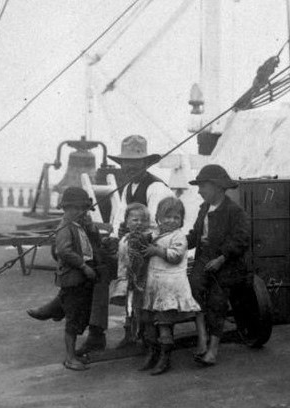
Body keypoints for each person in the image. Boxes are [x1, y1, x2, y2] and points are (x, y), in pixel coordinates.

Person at [27, 135, 173, 353]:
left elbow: (162, 228)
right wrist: (114, 238)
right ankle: (94, 331)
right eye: (125, 163)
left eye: (135, 162)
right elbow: (119, 221)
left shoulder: (156, 188)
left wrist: (134, 237)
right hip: (130, 249)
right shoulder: (128, 187)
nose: (129, 167)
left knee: (100, 270)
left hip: (154, 251)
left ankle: (72, 314)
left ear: (145, 163)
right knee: (96, 267)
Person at [187, 164, 251, 366]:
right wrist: (172, 242)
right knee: (194, 293)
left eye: (202, 186)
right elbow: (195, 236)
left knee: (217, 302)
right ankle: (202, 339)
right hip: (204, 258)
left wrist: (222, 258)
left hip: (226, 264)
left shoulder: (234, 211)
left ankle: (212, 350)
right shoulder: (204, 208)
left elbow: (241, 239)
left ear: (217, 187)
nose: (199, 191)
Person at [139, 196, 201, 375]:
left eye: (176, 217)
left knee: (164, 322)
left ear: (182, 220)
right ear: (158, 216)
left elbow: (175, 256)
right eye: (167, 217)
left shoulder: (179, 236)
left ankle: (165, 358)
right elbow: (145, 241)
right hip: (154, 285)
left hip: (170, 287)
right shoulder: (156, 233)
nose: (172, 221)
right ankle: (152, 353)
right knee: (150, 322)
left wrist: (156, 250)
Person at [51, 187, 101, 371]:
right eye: (76, 209)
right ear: (66, 208)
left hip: (82, 280)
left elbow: (94, 243)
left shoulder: (79, 225)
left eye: (83, 209)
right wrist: (83, 266)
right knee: (72, 320)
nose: (80, 212)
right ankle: (70, 357)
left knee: (80, 316)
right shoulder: (65, 227)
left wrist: (91, 227)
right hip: (72, 279)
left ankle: (73, 355)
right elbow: (63, 251)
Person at [109, 203, 152, 348]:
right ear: (127, 222)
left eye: (143, 220)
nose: (139, 223)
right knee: (128, 308)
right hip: (124, 278)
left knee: (139, 307)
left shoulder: (144, 239)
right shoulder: (125, 239)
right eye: (135, 220)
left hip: (138, 280)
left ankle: (142, 336)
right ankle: (129, 335)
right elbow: (122, 256)